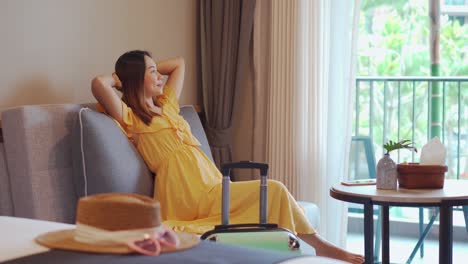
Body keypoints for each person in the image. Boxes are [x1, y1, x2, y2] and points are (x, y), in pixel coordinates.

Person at [91, 50, 364, 264]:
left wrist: (149, 68)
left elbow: (178, 63)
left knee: (274, 191)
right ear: (137, 78)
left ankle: (310, 248)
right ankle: (322, 247)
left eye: (156, 71)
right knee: (276, 190)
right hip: (186, 194)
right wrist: (120, 79)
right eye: (152, 72)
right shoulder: (131, 117)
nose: (160, 76)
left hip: (212, 184)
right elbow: (98, 84)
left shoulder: (168, 106)